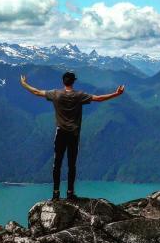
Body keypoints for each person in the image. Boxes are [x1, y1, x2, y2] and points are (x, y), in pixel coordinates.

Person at [20, 71, 125, 200]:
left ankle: (55, 194)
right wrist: (116, 94)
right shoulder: (79, 96)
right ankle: (70, 193)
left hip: (60, 133)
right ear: (73, 82)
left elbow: (36, 92)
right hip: (73, 134)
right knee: (72, 164)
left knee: (57, 164)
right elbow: (99, 98)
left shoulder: (55, 94)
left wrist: (24, 84)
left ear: (63, 82)